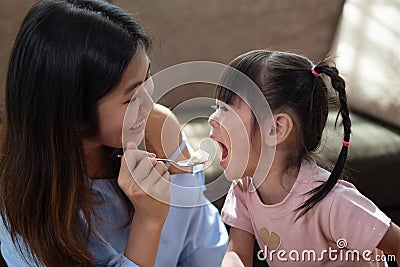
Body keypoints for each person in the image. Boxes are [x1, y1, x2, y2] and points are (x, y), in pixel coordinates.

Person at [0, 0, 227, 266]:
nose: (149, 104)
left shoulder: (157, 129)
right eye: (130, 98)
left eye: (147, 77)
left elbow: (204, 243)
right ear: (73, 115)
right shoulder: (24, 206)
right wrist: (148, 220)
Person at [208, 50, 400, 266]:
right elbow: (237, 254)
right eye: (216, 108)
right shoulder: (244, 189)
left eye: (225, 109)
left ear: (276, 128)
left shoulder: (334, 203)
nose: (212, 119)